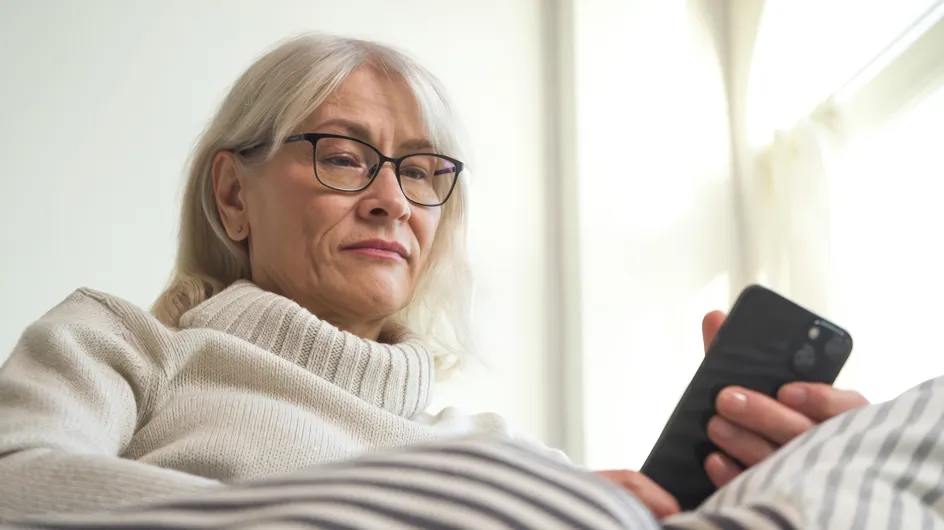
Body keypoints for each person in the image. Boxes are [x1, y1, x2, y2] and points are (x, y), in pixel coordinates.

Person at [0, 33, 867, 520]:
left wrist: (796, 486)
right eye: (344, 157)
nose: (392, 202)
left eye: (420, 173)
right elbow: (21, 486)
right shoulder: (122, 344)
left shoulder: (496, 452)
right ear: (233, 195)